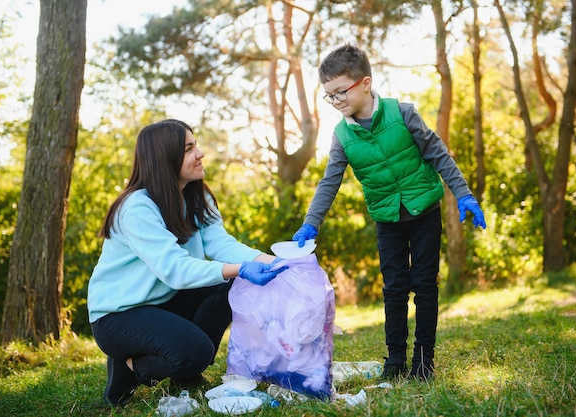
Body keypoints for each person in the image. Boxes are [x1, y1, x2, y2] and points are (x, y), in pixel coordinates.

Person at [292, 45, 486, 382]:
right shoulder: (342, 137)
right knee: (394, 288)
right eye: (330, 96)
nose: (337, 101)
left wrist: (464, 195)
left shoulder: (403, 113)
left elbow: (439, 154)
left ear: (365, 83)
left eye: (341, 92)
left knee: (425, 285)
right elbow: (329, 183)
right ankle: (395, 358)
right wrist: (311, 223)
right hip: (387, 220)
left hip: (424, 211)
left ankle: (423, 361)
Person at [87, 119, 286, 406]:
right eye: (189, 149)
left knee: (230, 287)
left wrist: (278, 263)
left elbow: (221, 245)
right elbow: (175, 270)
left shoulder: (196, 196)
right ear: (164, 158)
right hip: (118, 315)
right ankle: (129, 366)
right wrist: (240, 268)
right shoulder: (137, 208)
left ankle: (186, 374)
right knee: (195, 352)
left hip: (162, 301)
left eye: (196, 145)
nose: (200, 154)